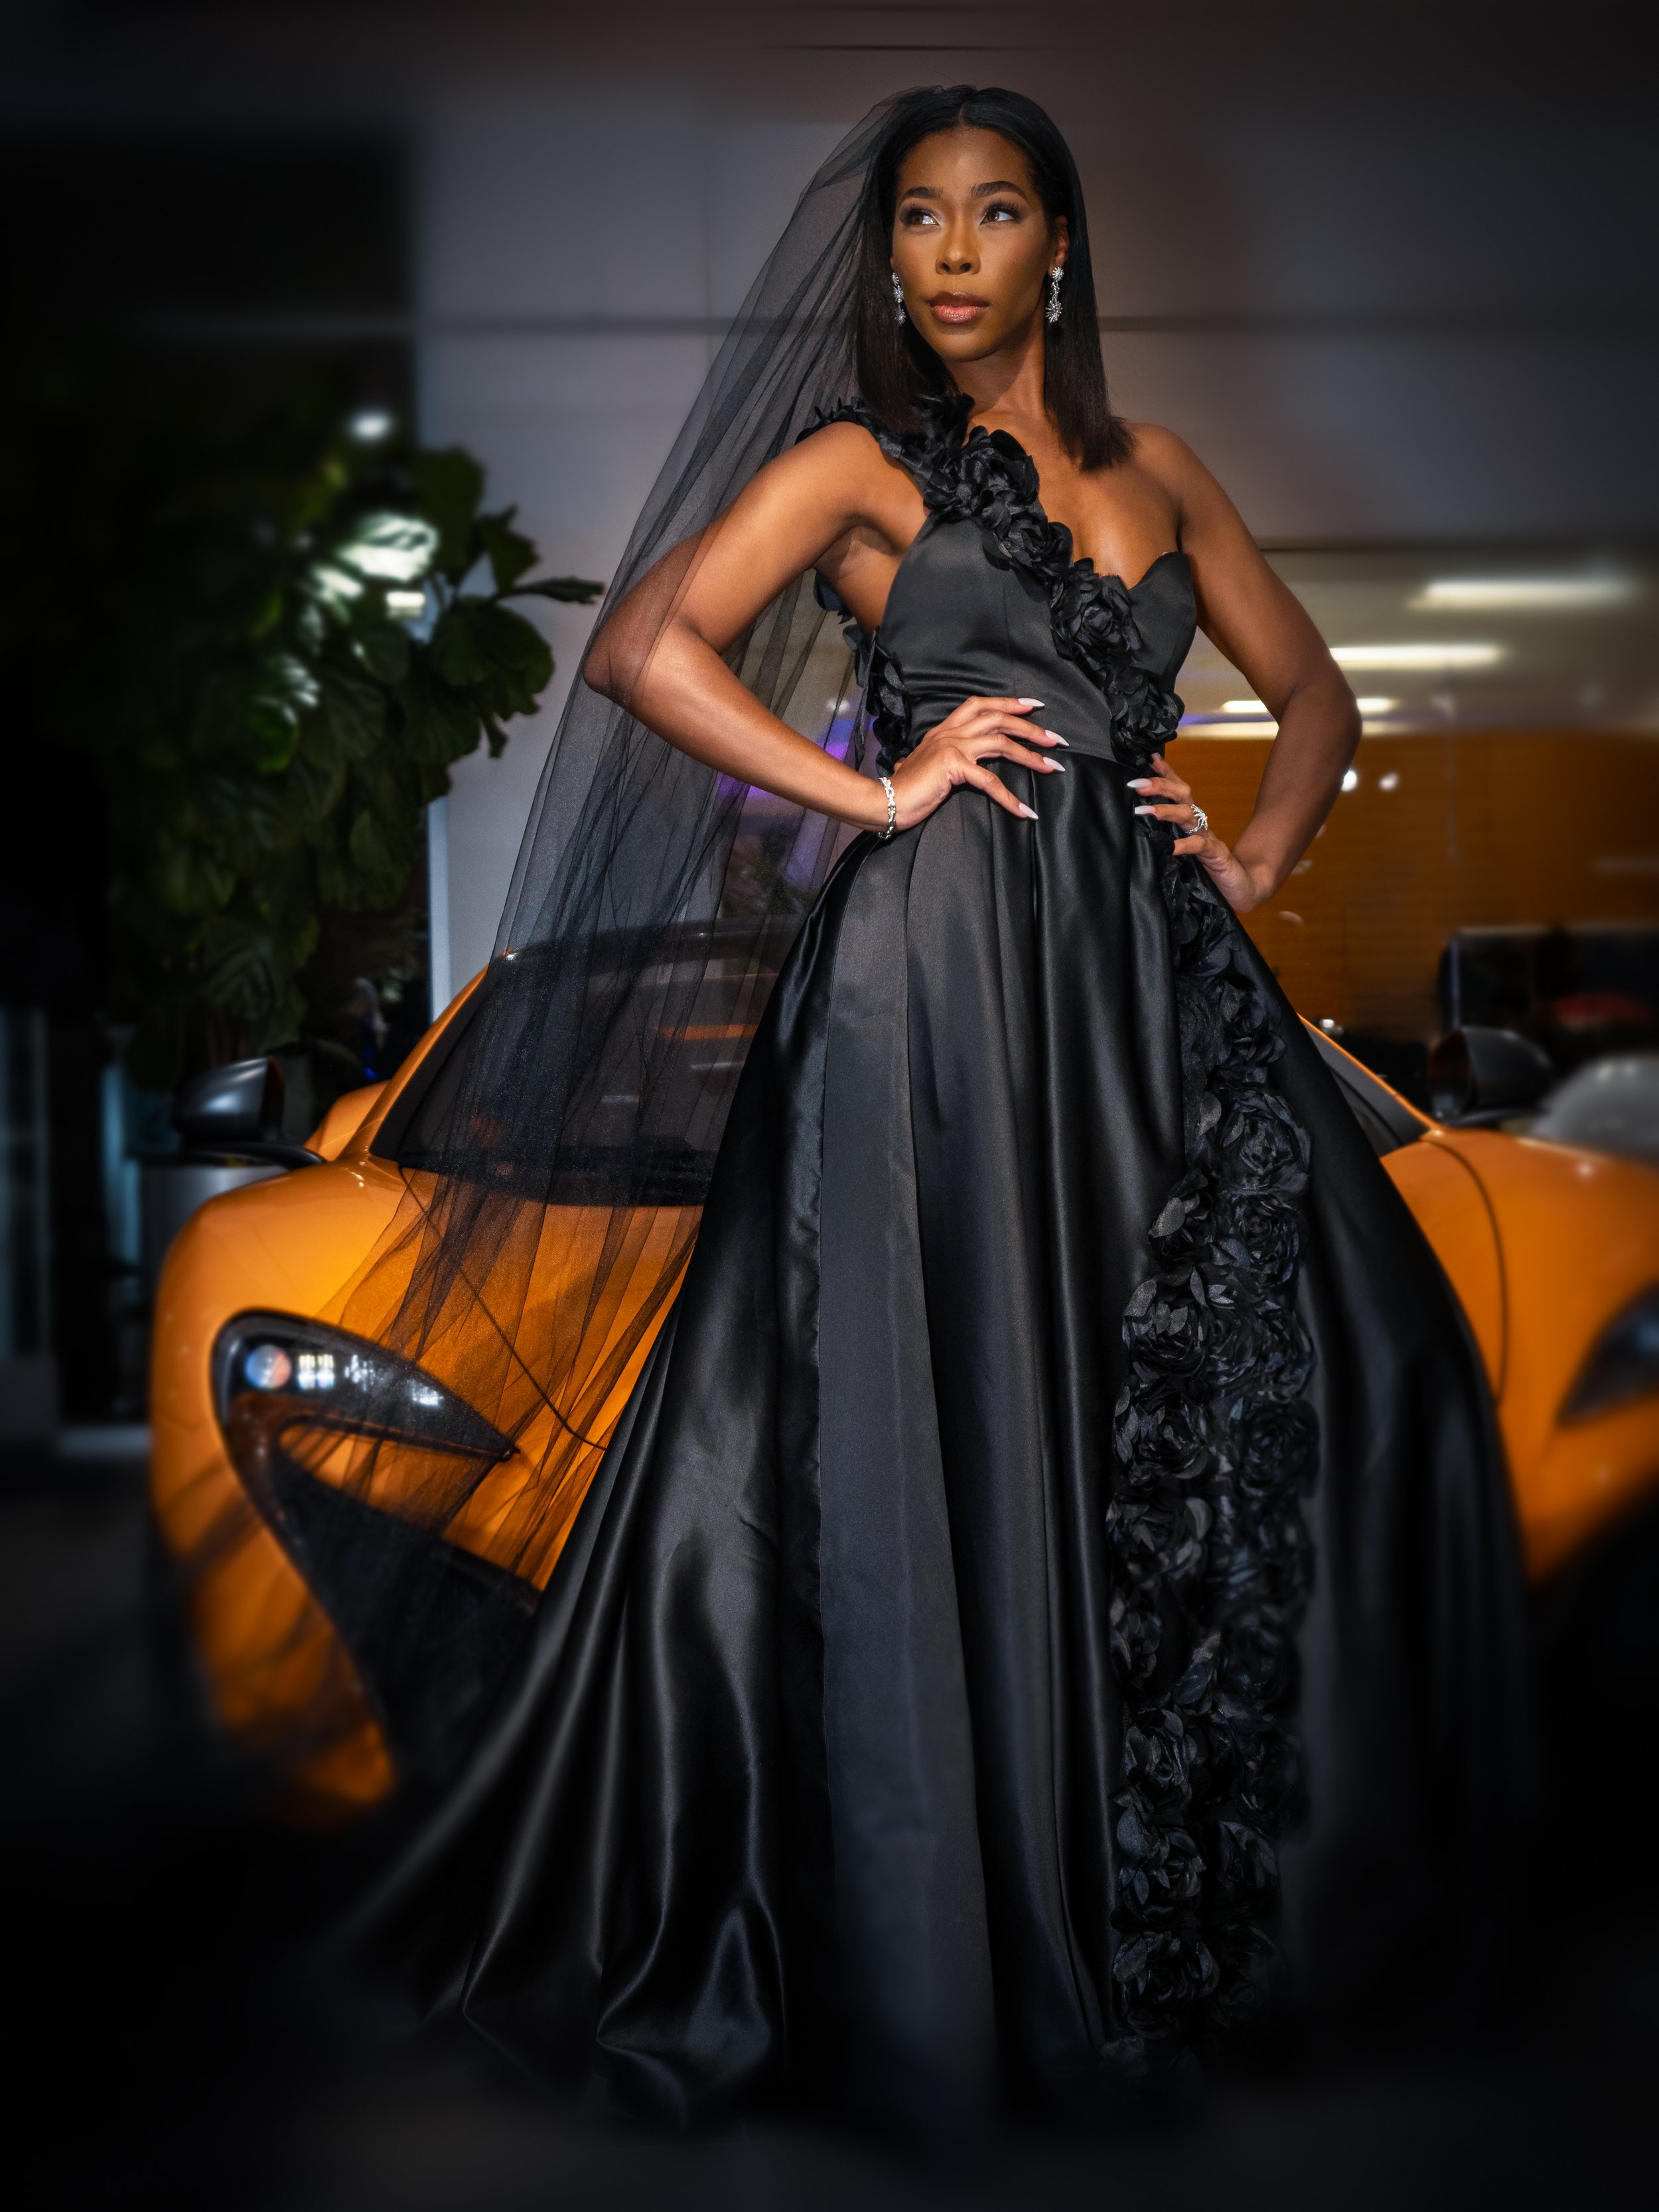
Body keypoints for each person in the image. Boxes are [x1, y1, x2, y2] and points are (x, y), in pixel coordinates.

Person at [346, 86, 1534, 2135]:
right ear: (889, 255)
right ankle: (958, 1952)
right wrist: (869, 793)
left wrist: (1252, 854)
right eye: (919, 217)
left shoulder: (1161, 469)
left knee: (1361, 1366)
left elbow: (1317, 697)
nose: (954, 251)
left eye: (994, 213)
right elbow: (639, 650)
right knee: (963, 1406)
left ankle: (1213, 1912)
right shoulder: (853, 464)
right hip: (939, 995)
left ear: (1058, 244)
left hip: (1147, 998)